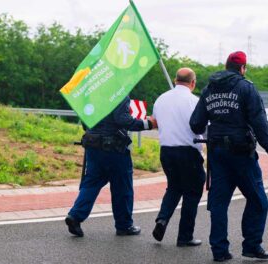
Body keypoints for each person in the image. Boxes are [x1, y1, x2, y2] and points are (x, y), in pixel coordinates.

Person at [190, 51, 268, 262]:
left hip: (217, 154)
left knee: (219, 203)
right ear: (242, 68)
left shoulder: (208, 89)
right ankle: (252, 246)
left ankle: (219, 251)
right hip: (241, 153)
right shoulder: (246, 88)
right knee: (258, 201)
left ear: (225, 65)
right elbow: (259, 121)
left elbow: (196, 124)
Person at [65, 96, 156, 237]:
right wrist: (147, 124)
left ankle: (75, 216)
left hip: (92, 145)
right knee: (122, 187)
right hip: (114, 148)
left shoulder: (91, 95)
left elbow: (85, 122)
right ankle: (124, 225)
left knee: (91, 183)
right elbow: (123, 120)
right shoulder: (118, 93)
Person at [151, 68, 206, 247]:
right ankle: (185, 236)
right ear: (193, 82)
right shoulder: (195, 101)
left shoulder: (161, 99)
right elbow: (203, 128)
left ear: (175, 80)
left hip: (166, 150)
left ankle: (162, 219)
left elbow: (155, 122)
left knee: (174, 187)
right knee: (192, 191)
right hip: (188, 152)